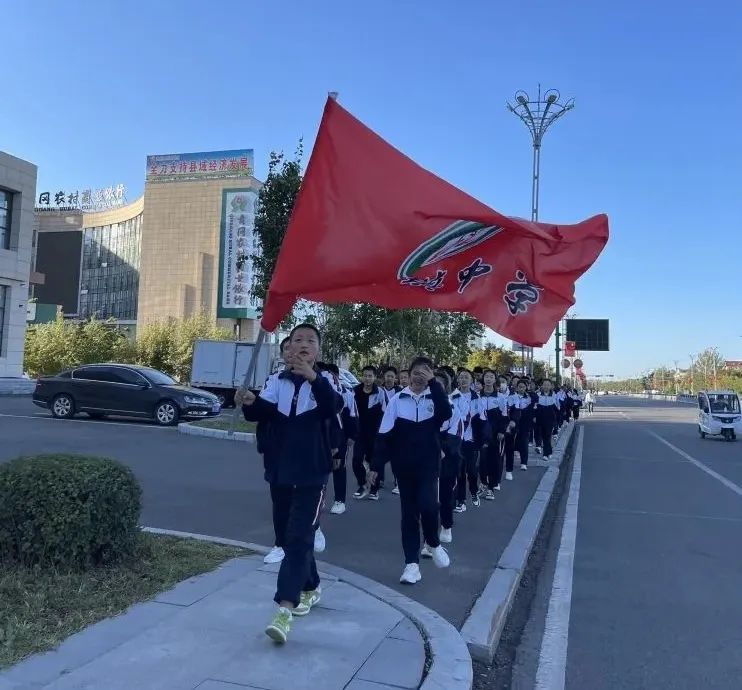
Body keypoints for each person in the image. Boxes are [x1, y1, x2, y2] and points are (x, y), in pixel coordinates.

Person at [241, 324, 342, 644]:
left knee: (299, 537)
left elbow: (333, 407)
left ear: (318, 352)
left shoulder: (326, 382)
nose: (302, 345)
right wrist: (247, 400)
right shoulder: (276, 382)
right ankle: (311, 586)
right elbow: (260, 413)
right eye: (297, 340)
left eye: (310, 341)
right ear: (286, 348)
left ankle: (285, 607)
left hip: (313, 473)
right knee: (289, 536)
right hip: (281, 470)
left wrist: (313, 377)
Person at [369, 357, 452, 584]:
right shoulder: (397, 400)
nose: (419, 375)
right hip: (403, 466)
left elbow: (446, 414)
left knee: (428, 504)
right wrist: (376, 466)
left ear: (431, 375)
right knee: (409, 514)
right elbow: (384, 436)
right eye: (416, 371)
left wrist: (434, 384)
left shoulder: (435, 397)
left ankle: (433, 542)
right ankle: (411, 565)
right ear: (409, 374)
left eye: (425, 372)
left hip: (428, 465)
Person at [322, 363, 358, 516]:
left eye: (332, 376)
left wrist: (352, 436)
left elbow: (353, 416)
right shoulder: (316, 391)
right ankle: (318, 499)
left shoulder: (347, 393)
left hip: (340, 436)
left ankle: (340, 500)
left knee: (338, 467)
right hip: (321, 437)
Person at [452, 368, 487, 512]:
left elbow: (483, 419)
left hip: (471, 440)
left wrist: (483, 438)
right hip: (456, 439)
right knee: (459, 470)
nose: (463, 380)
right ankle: (461, 501)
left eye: (466, 377)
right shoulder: (452, 396)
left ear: (472, 381)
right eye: (461, 377)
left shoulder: (477, 399)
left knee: (471, 471)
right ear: (457, 380)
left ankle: (473, 490)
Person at [352, 366, 386, 499]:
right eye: (365, 375)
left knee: (375, 462)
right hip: (360, 433)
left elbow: (385, 413)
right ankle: (362, 484)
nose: (367, 378)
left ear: (375, 377)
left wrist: (383, 433)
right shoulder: (355, 391)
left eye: (370, 376)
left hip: (375, 434)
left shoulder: (380, 393)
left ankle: (374, 489)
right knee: (356, 460)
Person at [434, 370, 459, 544]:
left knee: (444, 494)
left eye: (439, 385)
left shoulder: (452, 407)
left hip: (447, 456)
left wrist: (443, 449)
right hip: (426, 454)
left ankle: (446, 525)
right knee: (426, 498)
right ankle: (429, 539)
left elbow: (455, 433)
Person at [480, 371, 512, 498]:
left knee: (495, 460)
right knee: (481, 461)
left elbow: (505, 416)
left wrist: (501, 431)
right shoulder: (477, 396)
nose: (488, 379)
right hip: (481, 434)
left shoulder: (501, 397)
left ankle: (491, 487)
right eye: (486, 376)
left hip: (495, 434)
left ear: (495, 380)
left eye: (491, 377)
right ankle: (483, 483)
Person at [535, 378, 559, 460]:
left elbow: (557, 407)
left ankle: (546, 454)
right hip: (540, 417)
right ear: (542, 386)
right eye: (544, 384)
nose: (546, 386)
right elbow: (535, 407)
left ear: (551, 386)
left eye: (548, 385)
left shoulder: (554, 395)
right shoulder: (538, 395)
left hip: (550, 418)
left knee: (547, 435)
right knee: (541, 435)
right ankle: (549, 452)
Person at [512, 380, 533, 471]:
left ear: (526, 388)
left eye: (523, 387)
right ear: (516, 388)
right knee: (515, 439)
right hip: (514, 422)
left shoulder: (529, 398)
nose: (521, 389)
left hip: (525, 423)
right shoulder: (512, 397)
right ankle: (515, 451)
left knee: (524, 442)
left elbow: (531, 410)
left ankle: (524, 463)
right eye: (519, 387)